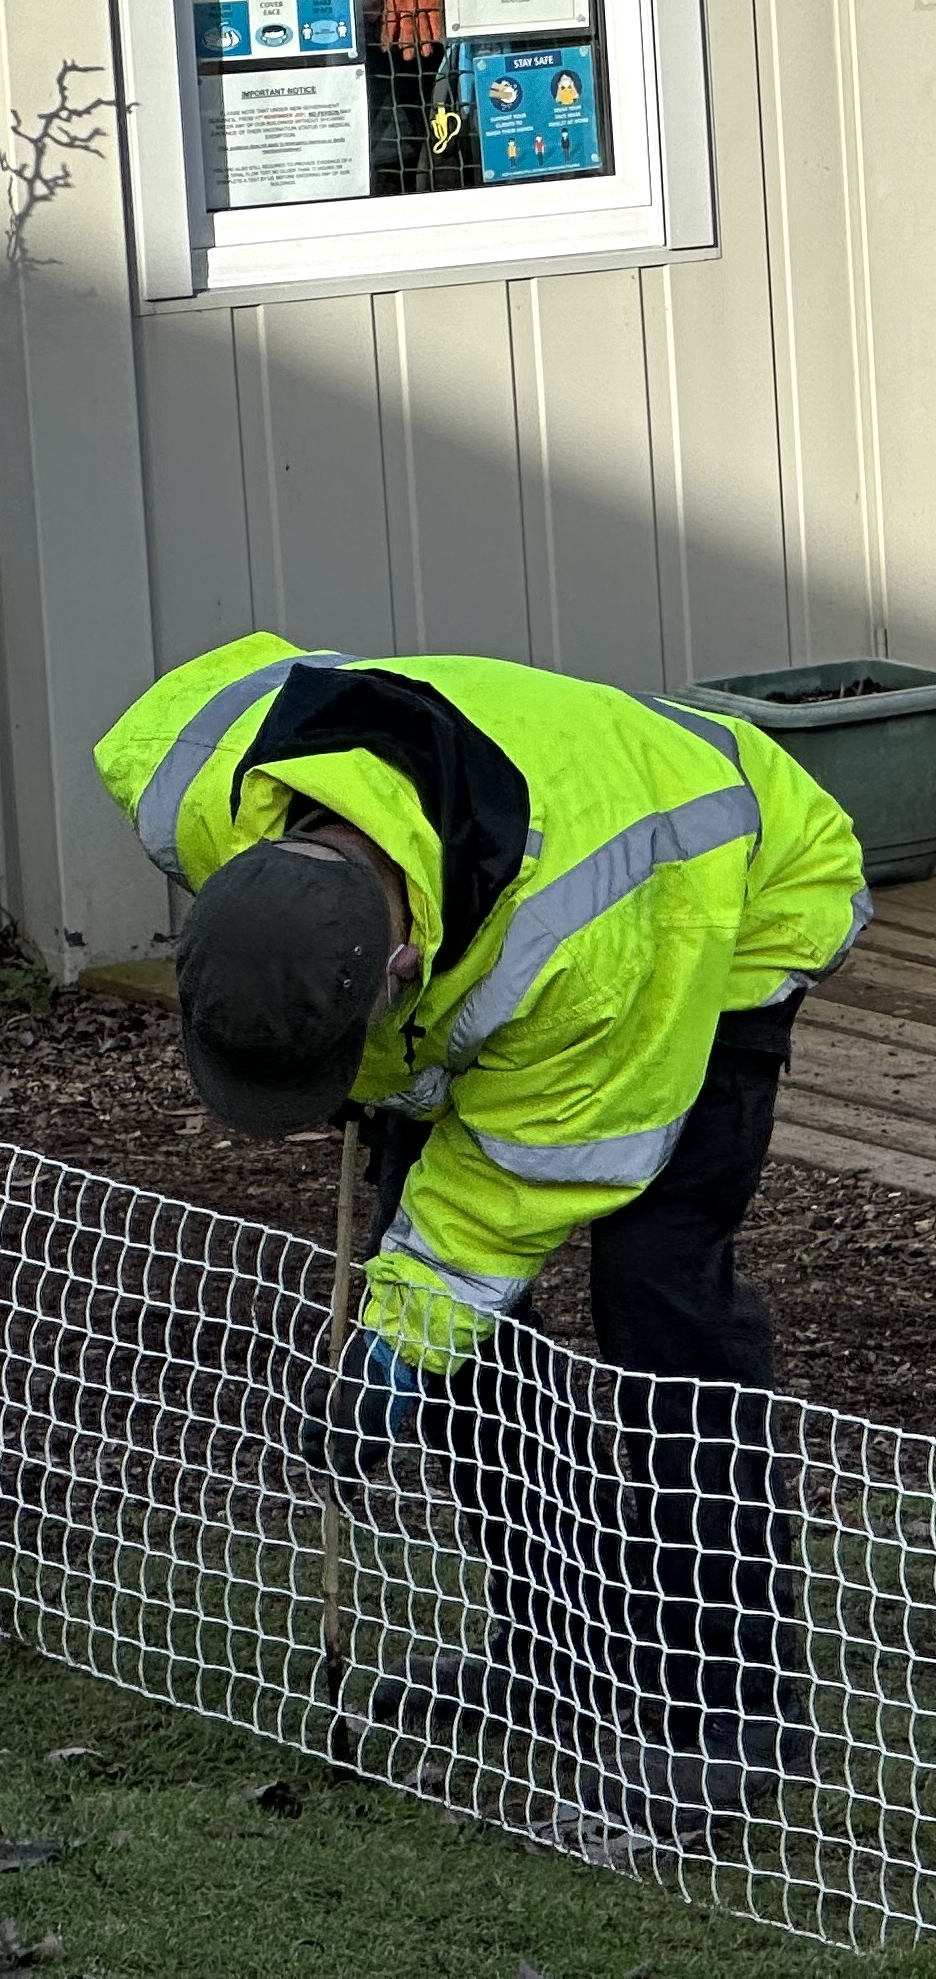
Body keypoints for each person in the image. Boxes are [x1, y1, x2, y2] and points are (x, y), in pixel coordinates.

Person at [95, 631, 868, 1840]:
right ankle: (552, 1647)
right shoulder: (211, 801)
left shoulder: (594, 950)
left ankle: (729, 1713)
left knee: (660, 1294)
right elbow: (187, 713)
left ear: (399, 961)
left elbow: (501, 1198)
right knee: (445, 1285)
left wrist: (393, 1352)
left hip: (721, 899)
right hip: (499, 886)